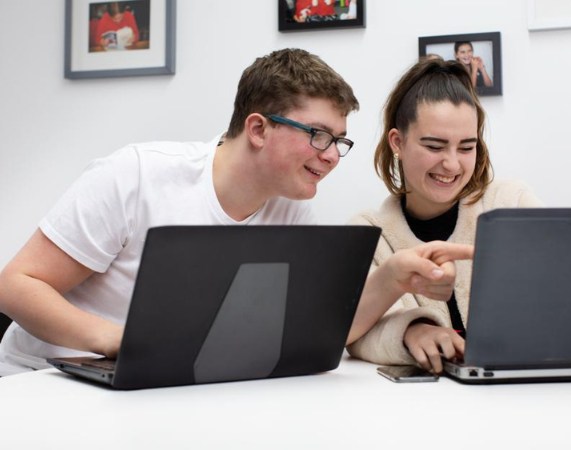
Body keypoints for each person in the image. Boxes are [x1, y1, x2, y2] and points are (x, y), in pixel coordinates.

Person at [0, 48, 470, 376]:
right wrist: (116, 339)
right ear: (259, 128)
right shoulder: (136, 175)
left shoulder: (290, 209)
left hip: (153, 386)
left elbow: (318, 334)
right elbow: (15, 286)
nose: (330, 155)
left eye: (338, 141)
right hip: (44, 379)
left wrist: (391, 278)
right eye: (318, 135)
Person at [346, 58, 542, 373]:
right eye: (435, 146)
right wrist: (411, 329)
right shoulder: (369, 232)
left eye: (466, 147)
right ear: (398, 142)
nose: (451, 165)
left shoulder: (511, 204)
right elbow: (351, 332)